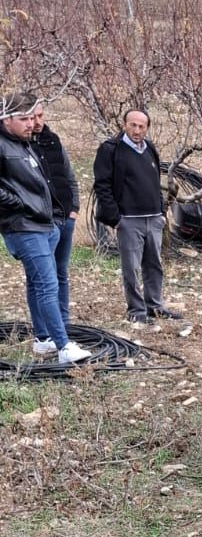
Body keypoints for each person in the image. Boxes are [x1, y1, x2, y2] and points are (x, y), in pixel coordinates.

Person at [0, 91, 91, 365]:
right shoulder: (4, 146)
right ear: (6, 119)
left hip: (43, 224)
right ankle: (64, 347)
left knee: (38, 282)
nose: (31, 124)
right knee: (48, 284)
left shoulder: (22, 142)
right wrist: (20, 204)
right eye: (24, 119)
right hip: (23, 227)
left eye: (33, 117)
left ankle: (43, 340)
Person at [92, 108, 182, 326]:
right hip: (129, 220)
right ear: (124, 125)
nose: (137, 130)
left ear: (147, 128)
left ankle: (155, 306)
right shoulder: (110, 150)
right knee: (131, 268)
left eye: (142, 126)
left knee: (154, 265)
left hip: (153, 219)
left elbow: (154, 181)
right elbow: (102, 185)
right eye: (133, 125)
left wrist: (161, 213)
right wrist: (116, 218)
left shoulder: (149, 148)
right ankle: (136, 309)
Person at [29, 101, 79, 328]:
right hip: (40, 222)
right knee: (40, 278)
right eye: (32, 117)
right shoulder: (17, 146)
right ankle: (45, 331)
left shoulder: (53, 140)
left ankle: (63, 323)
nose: (38, 122)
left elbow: (69, 177)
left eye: (40, 115)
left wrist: (74, 209)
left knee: (60, 273)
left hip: (64, 218)